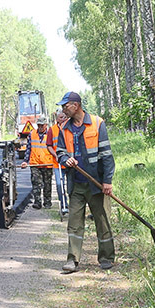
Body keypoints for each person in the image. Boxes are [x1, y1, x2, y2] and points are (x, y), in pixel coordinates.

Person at [55, 91, 116, 273]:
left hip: (95, 183)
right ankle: (72, 260)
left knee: (102, 220)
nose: (63, 109)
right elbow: (60, 152)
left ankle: (106, 257)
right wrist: (66, 158)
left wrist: (107, 181)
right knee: (74, 223)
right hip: (76, 184)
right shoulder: (64, 129)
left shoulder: (97, 123)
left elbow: (106, 155)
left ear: (75, 105)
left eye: (65, 106)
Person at [20, 115, 57, 208]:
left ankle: (47, 202)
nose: (40, 127)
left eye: (42, 125)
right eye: (39, 125)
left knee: (47, 184)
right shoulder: (32, 134)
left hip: (47, 163)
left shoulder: (51, 134)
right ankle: (37, 202)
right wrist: (25, 161)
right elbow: (28, 149)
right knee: (36, 183)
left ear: (46, 125)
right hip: (35, 163)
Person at [52, 109, 70, 217]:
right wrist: (56, 155)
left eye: (64, 117)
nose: (63, 119)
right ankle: (64, 205)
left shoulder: (70, 128)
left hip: (70, 163)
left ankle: (73, 206)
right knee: (60, 185)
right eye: (61, 117)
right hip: (57, 163)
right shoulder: (52, 130)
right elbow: (49, 145)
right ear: (57, 119)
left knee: (71, 186)